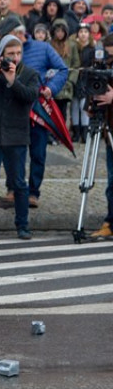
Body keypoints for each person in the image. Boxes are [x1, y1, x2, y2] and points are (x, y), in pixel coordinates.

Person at [0, 17, 68, 207]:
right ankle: (13, 188)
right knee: (12, 152)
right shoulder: (3, 49)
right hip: (13, 109)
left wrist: (51, 88)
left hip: (37, 110)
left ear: (19, 33)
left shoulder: (43, 48)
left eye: (9, 35)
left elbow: (62, 69)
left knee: (38, 153)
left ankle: (33, 192)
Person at [0, 36, 38, 240]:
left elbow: (30, 96)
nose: (15, 58)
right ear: (2, 55)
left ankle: (23, 226)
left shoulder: (29, 74)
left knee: (19, 183)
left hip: (17, 136)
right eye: (11, 54)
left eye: (18, 53)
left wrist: (13, 82)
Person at [89, 33, 113, 238]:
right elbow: (94, 89)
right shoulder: (103, 67)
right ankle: (110, 222)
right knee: (112, 180)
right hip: (108, 128)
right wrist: (91, 104)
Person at [49, 19, 80, 128]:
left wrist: (71, 80)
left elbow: (76, 64)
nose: (60, 34)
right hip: (51, 82)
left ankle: (62, 132)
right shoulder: (49, 45)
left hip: (66, 84)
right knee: (51, 111)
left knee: (63, 112)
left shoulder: (71, 45)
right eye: (57, 31)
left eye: (62, 31)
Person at [69, 22, 95, 142]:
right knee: (74, 106)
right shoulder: (74, 47)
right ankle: (76, 132)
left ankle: (85, 132)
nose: (83, 34)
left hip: (86, 80)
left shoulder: (92, 48)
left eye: (85, 32)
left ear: (89, 34)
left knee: (84, 106)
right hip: (76, 79)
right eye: (81, 32)